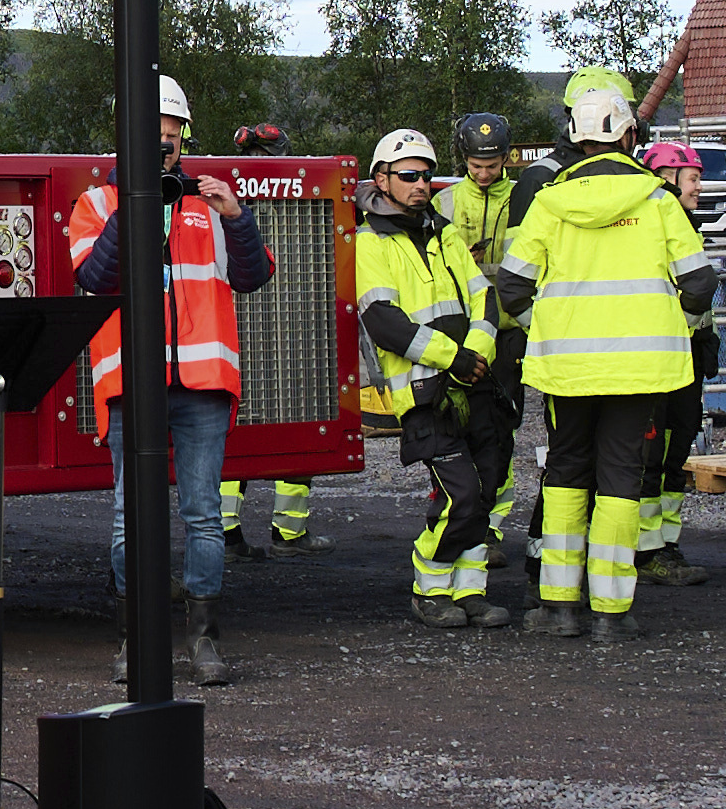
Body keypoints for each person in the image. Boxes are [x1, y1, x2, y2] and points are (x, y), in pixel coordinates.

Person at [490, 75, 710, 643]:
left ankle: (560, 607)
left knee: (565, 474)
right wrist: (665, 323)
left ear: (573, 136)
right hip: (641, 371)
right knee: (622, 480)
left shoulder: (550, 202)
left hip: (568, 371)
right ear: (631, 134)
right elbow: (700, 283)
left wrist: (550, 327)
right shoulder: (659, 202)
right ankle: (613, 612)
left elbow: (512, 286)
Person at [70, 74, 273, 686]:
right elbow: (94, 279)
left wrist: (236, 217)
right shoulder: (97, 204)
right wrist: (134, 201)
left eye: (170, 138)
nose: (163, 149)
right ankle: (136, 640)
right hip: (133, 383)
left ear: (183, 138)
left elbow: (251, 277)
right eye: (150, 140)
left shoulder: (207, 201)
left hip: (202, 382)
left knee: (203, 515)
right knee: (129, 516)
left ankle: (203, 639)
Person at [350, 126, 507, 627]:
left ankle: (470, 592)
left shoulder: (446, 234)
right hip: (424, 393)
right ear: (382, 179)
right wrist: (453, 357)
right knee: (459, 495)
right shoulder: (369, 242)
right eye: (410, 176)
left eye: (427, 176)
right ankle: (430, 588)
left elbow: (486, 297)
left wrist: (477, 353)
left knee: (486, 491)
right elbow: (384, 321)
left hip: (473, 382)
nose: (421, 185)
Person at [439, 109, 544, 545]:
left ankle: (492, 528)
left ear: (506, 158)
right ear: (463, 159)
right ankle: (465, 519)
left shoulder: (525, 198)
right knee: (458, 430)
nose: (484, 174)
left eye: (493, 165)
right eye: (476, 166)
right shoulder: (444, 201)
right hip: (461, 332)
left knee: (502, 429)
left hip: (508, 328)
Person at [217, 120, 315, 554]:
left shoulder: (224, 203)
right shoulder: (299, 202)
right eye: (252, 159)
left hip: (267, 333)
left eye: (264, 159)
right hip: (268, 333)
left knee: (253, 424)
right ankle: (283, 532)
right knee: (284, 418)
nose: (258, 167)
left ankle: (236, 531)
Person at [632, 140, 722, 584]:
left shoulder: (683, 225)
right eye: (693, 177)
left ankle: (665, 543)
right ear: (666, 179)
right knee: (653, 453)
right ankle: (646, 550)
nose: (699, 186)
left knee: (675, 451)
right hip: (662, 359)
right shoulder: (655, 227)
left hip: (687, 357)